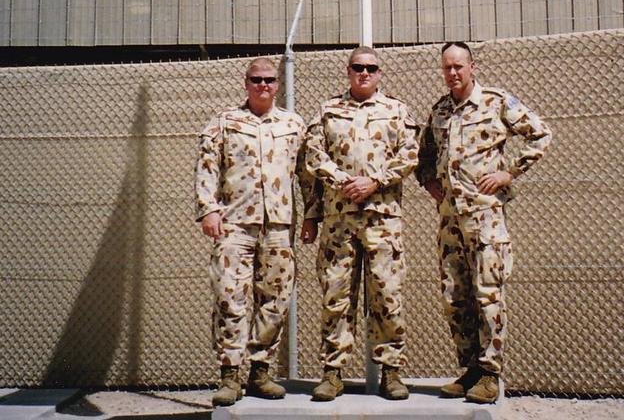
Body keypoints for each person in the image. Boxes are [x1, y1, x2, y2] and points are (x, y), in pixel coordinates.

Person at [416, 41, 552, 405]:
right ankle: (470, 369)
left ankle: (491, 373)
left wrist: (509, 173)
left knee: (488, 293)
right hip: (450, 221)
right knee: (455, 296)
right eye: (447, 68)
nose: (453, 73)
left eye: (458, 66)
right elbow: (425, 151)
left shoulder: (496, 101)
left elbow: (540, 134)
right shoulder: (441, 109)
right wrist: (429, 181)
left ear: (472, 66)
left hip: (485, 217)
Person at [195, 57, 320, 406]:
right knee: (230, 298)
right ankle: (230, 374)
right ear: (246, 82)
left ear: (278, 84)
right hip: (235, 225)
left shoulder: (293, 125)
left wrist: (311, 216)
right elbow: (206, 169)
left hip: (279, 226)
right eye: (256, 79)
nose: (263, 85)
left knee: (275, 300)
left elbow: (307, 175)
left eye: (269, 80)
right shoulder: (225, 122)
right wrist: (209, 209)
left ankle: (260, 370)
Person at [303, 47, 419, 402]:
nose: (364, 73)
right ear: (348, 71)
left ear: (379, 73)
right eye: (358, 68)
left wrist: (375, 180)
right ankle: (332, 372)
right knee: (336, 296)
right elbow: (313, 155)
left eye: (371, 68)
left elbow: (410, 153)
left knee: (386, 295)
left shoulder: (396, 111)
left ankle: (392, 372)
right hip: (340, 220)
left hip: (382, 219)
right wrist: (341, 180)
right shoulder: (328, 110)